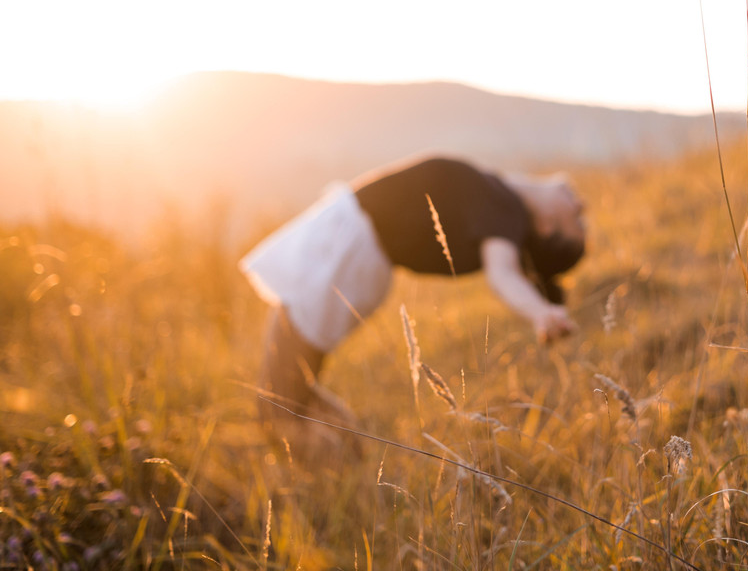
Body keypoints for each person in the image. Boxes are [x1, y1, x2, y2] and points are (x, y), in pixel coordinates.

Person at [240, 155, 586, 460]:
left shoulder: (504, 210)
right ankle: (342, 462)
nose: (581, 204)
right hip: (350, 247)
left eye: (578, 219)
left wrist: (539, 312)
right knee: (287, 392)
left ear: (547, 226)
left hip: (345, 253)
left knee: (278, 402)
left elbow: (503, 273)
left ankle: (334, 472)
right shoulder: (500, 199)